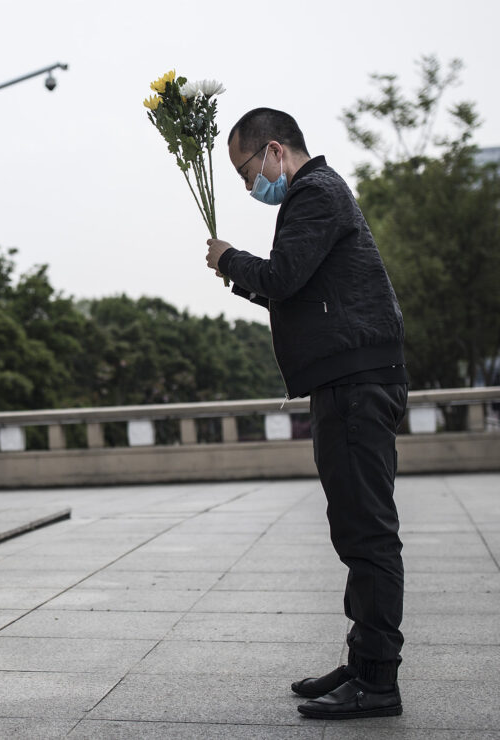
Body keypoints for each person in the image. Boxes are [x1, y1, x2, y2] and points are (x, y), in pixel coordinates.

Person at [205, 108, 409, 720]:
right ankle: (364, 661)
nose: (248, 186)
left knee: (367, 534)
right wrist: (240, 271)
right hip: (346, 380)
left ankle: (377, 684)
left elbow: (283, 276)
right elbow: (291, 283)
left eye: (247, 172)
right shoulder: (318, 194)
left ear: (274, 152)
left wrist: (228, 260)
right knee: (355, 531)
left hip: (355, 382)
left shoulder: (315, 193)